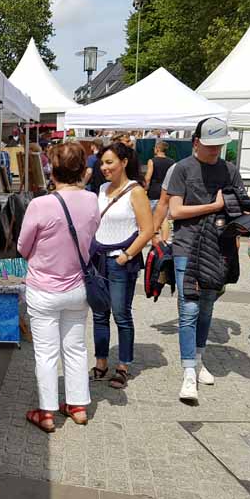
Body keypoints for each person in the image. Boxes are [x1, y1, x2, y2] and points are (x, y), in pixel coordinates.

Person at [18, 142, 100, 433]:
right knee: (76, 347)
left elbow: (23, 246)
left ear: (52, 171)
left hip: (43, 287)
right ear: (82, 169)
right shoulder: (92, 200)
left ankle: (47, 412)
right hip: (77, 286)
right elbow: (92, 236)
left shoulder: (41, 204)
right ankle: (78, 406)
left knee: (46, 352)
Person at [167, 117, 241, 404]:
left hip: (218, 248)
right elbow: (175, 211)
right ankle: (188, 371)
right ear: (196, 142)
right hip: (187, 246)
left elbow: (238, 209)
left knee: (207, 307)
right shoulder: (182, 168)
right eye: (210, 145)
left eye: (219, 146)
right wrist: (214, 206)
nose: (215, 151)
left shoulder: (230, 170)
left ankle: (198, 360)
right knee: (189, 308)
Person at [90, 142, 154, 389]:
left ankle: (123, 365)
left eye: (110, 162)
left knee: (121, 314)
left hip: (120, 262)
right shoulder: (102, 188)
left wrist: (126, 256)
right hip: (98, 260)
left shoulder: (135, 191)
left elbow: (147, 230)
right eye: (102, 163)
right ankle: (101, 362)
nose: (104, 168)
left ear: (124, 162)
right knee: (99, 314)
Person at [145, 141, 175, 212]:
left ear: (157, 149)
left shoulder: (152, 161)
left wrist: (144, 189)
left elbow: (148, 178)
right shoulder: (172, 162)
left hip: (154, 192)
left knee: (152, 215)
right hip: (167, 192)